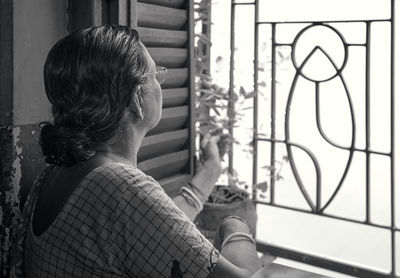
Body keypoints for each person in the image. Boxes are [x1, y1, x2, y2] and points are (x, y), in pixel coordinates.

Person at [10, 25, 261, 278]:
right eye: (155, 75)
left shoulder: (58, 172)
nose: (160, 83)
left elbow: (151, 231)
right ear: (137, 99)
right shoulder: (119, 186)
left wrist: (210, 170)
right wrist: (235, 228)